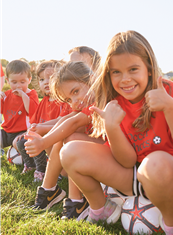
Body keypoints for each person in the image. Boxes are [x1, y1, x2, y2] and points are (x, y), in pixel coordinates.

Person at [59, 31, 173, 235]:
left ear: (149, 68)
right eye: (116, 72)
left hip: (168, 174)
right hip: (132, 173)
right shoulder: (113, 102)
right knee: (69, 151)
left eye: (133, 69)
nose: (125, 79)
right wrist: (112, 128)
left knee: (156, 162)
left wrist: (170, 107)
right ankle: (101, 208)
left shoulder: (168, 91)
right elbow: (126, 160)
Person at [25, 61, 104, 220]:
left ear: (91, 80)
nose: (74, 101)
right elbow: (65, 119)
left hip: (113, 159)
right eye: (68, 99)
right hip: (98, 157)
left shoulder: (101, 101)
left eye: (75, 91)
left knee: (71, 137)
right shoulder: (84, 103)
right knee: (68, 137)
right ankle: (51, 191)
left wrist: (43, 142)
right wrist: (41, 127)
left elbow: (73, 123)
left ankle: (74, 200)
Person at [14, 60, 65, 181]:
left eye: (50, 78)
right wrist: (27, 133)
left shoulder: (62, 102)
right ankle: (31, 166)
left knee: (35, 140)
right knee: (21, 142)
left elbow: (62, 123)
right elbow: (34, 122)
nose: (46, 82)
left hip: (54, 141)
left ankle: (42, 170)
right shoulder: (43, 102)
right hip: (40, 136)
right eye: (42, 80)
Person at [0, 60, 39, 151]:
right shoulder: (6, 95)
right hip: (7, 132)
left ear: (29, 80)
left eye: (22, 82)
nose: (18, 86)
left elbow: (32, 111)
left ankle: (27, 161)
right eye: (14, 82)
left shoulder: (32, 94)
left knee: (22, 144)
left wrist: (23, 96)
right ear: (8, 81)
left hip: (23, 132)